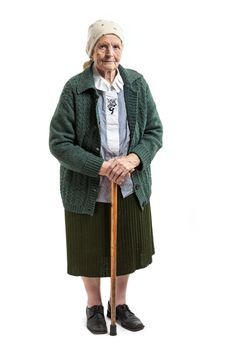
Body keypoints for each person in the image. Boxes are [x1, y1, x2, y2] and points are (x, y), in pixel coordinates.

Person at [49, 19, 163, 335]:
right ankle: (93, 306)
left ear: (121, 50)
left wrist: (132, 159)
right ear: (92, 49)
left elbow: (154, 131)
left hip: (130, 184)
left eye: (115, 46)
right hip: (85, 187)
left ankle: (120, 304)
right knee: (89, 247)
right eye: (102, 45)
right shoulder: (75, 88)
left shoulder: (137, 84)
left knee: (126, 247)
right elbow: (59, 142)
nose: (109, 52)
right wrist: (100, 167)